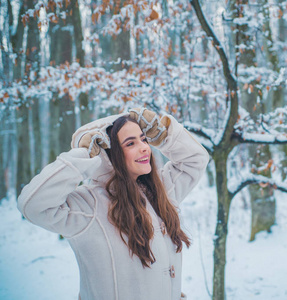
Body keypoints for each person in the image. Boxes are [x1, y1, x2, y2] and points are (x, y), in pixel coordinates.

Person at [17, 107, 209, 300]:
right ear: (109, 156)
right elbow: (33, 205)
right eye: (130, 143)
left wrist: (162, 134)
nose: (144, 147)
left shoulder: (161, 190)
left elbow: (195, 160)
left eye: (144, 139)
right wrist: (85, 154)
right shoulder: (90, 206)